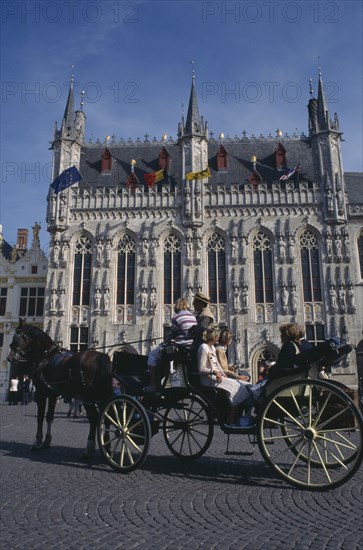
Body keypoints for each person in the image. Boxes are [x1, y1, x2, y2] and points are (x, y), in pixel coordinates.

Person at [198, 327, 251, 425]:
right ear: (214, 337)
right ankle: (231, 416)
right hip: (208, 378)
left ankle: (235, 415)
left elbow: (218, 365)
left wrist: (223, 374)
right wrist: (214, 372)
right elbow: (201, 369)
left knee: (243, 385)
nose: (218, 337)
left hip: (217, 376)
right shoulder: (203, 348)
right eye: (217, 335)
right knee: (237, 387)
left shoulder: (212, 347)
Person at [145, 297, 197, 392]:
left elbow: (170, 335)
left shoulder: (177, 317)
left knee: (152, 355)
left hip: (179, 349)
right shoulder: (193, 317)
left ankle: (153, 384)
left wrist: (166, 339)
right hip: (189, 348)